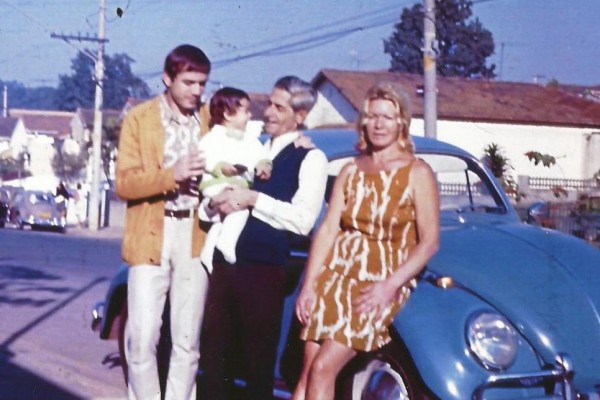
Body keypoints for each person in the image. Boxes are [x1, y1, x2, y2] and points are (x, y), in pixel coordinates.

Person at [292, 82, 440, 400]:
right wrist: (309, 285)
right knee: (307, 373)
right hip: (336, 276)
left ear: (401, 123)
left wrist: (389, 286)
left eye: (387, 117)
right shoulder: (350, 171)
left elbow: (429, 242)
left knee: (323, 369)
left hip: (378, 282)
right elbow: (328, 230)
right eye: (372, 116)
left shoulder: (418, 173)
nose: (379, 124)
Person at [201, 76, 328, 400]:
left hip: (264, 270)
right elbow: (212, 184)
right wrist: (215, 203)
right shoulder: (250, 145)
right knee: (215, 358)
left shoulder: (310, 158)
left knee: (257, 363)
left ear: (300, 116)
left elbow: (303, 221)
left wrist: (254, 199)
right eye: (269, 103)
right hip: (224, 265)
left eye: (279, 107)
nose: (268, 112)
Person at [115, 44, 211, 400]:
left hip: (195, 236)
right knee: (141, 339)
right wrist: (173, 175)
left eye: (202, 83)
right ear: (167, 79)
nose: (196, 91)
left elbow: (243, 145)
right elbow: (125, 184)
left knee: (187, 341)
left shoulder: (210, 119)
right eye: (189, 82)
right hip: (151, 234)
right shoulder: (139, 119)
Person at [198, 86, 272, 271]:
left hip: (238, 185)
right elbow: (204, 155)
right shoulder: (212, 137)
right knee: (240, 210)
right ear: (228, 114)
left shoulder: (250, 140)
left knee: (224, 218)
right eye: (245, 111)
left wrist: (263, 164)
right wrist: (220, 166)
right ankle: (227, 243)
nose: (249, 115)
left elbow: (260, 154)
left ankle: (209, 250)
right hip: (216, 184)